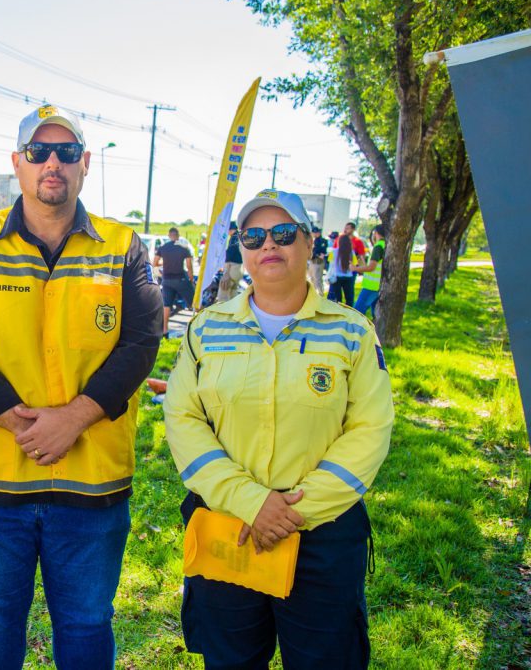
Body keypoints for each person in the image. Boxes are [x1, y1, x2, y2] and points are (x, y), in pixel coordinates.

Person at [0, 104, 163, 669]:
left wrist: (74, 419)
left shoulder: (124, 246)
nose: (51, 163)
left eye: (65, 152)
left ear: (85, 164)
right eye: (38, 152)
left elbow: (141, 341)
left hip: (91, 479)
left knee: (86, 622)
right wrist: (24, 425)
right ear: (18, 163)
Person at [163, 188, 393, 670]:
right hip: (229, 528)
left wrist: (289, 514)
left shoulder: (352, 331)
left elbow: (370, 429)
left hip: (321, 537)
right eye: (254, 235)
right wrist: (250, 502)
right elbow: (184, 419)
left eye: (283, 233)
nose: (269, 244)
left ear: (309, 244)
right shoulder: (205, 329)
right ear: (242, 248)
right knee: (231, 661)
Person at [154, 226, 195, 338]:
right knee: (194, 303)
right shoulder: (183, 248)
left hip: (167, 280)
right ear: (177, 236)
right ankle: (198, 327)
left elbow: (155, 262)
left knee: (166, 305)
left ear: (169, 235)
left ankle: (165, 331)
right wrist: (191, 279)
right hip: (180, 279)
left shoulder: (163, 247)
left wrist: (165, 264)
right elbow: (189, 265)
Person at [352, 224, 386, 319]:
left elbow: (371, 267)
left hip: (371, 286)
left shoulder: (378, 246)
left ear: (376, 233)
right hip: (378, 285)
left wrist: (355, 268)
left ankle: (353, 332)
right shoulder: (385, 245)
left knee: (357, 312)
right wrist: (363, 264)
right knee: (375, 314)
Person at [216, 221, 243, 303]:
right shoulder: (240, 236)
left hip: (233, 267)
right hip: (240, 268)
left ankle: (222, 313)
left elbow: (230, 255)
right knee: (233, 293)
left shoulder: (234, 238)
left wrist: (226, 273)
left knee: (223, 292)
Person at [328, 233, 357, 306]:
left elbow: (331, 265)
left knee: (337, 299)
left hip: (336, 277)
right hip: (348, 277)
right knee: (349, 299)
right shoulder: (351, 252)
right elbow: (355, 264)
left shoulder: (333, 252)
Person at [308, 224, 327, 294]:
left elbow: (321, 251)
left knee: (317, 279)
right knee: (312, 278)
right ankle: (314, 294)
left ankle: (320, 294)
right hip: (312, 261)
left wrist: (317, 254)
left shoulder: (322, 241)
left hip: (318, 261)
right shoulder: (312, 240)